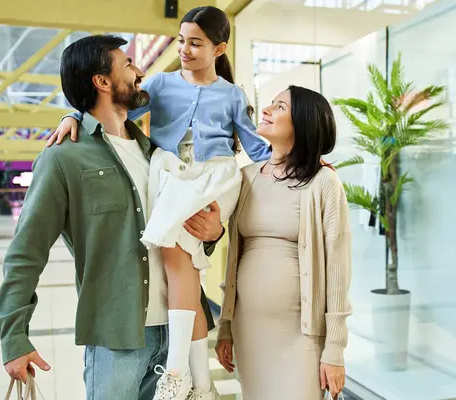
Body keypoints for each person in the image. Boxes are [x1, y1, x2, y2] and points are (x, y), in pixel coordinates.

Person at [47, 6, 270, 400]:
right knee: (183, 273)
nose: (184, 49)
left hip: (213, 179)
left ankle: (178, 373)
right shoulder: (163, 85)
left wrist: (303, 158)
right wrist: (74, 115)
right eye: (181, 40)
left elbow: (254, 146)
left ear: (219, 49)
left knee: (177, 265)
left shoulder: (233, 95)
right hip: (173, 177)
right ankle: (199, 384)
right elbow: (115, 109)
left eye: (195, 43)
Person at [0, 35, 224, 400]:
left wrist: (213, 233)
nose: (139, 71)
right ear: (101, 81)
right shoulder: (63, 158)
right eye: (128, 64)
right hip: (118, 337)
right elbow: (26, 252)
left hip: (180, 332)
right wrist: (13, 337)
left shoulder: (157, 154)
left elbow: (185, 233)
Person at [215, 86, 352, 400]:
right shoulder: (246, 177)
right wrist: (225, 326)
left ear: (303, 122)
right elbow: (232, 260)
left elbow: (338, 270)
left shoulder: (323, 181)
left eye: (279, 107)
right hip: (248, 331)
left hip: (301, 336)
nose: (266, 110)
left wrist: (334, 348)